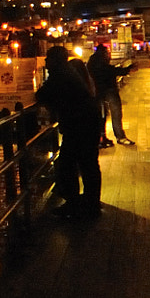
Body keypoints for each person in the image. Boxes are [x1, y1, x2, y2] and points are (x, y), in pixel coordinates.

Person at [36, 45, 103, 219]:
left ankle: (75, 204)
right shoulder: (69, 72)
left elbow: (42, 94)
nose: (46, 62)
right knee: (88, 164)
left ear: (54, 60)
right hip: (87, 121)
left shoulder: (59, 75)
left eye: (48, 59)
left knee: (68, 165)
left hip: (79, 125)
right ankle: (91, 203)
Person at [87, 44, 132, 146]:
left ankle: (102, 137)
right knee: (116, 113)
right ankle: (120, 137)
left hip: (97, 92)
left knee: (102, 115)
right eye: (107, 52)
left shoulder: (93, 61)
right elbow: (110, 71)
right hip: (108, 90)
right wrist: (127, 70)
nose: (109, 54)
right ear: (104, 53)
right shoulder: (100, 62)